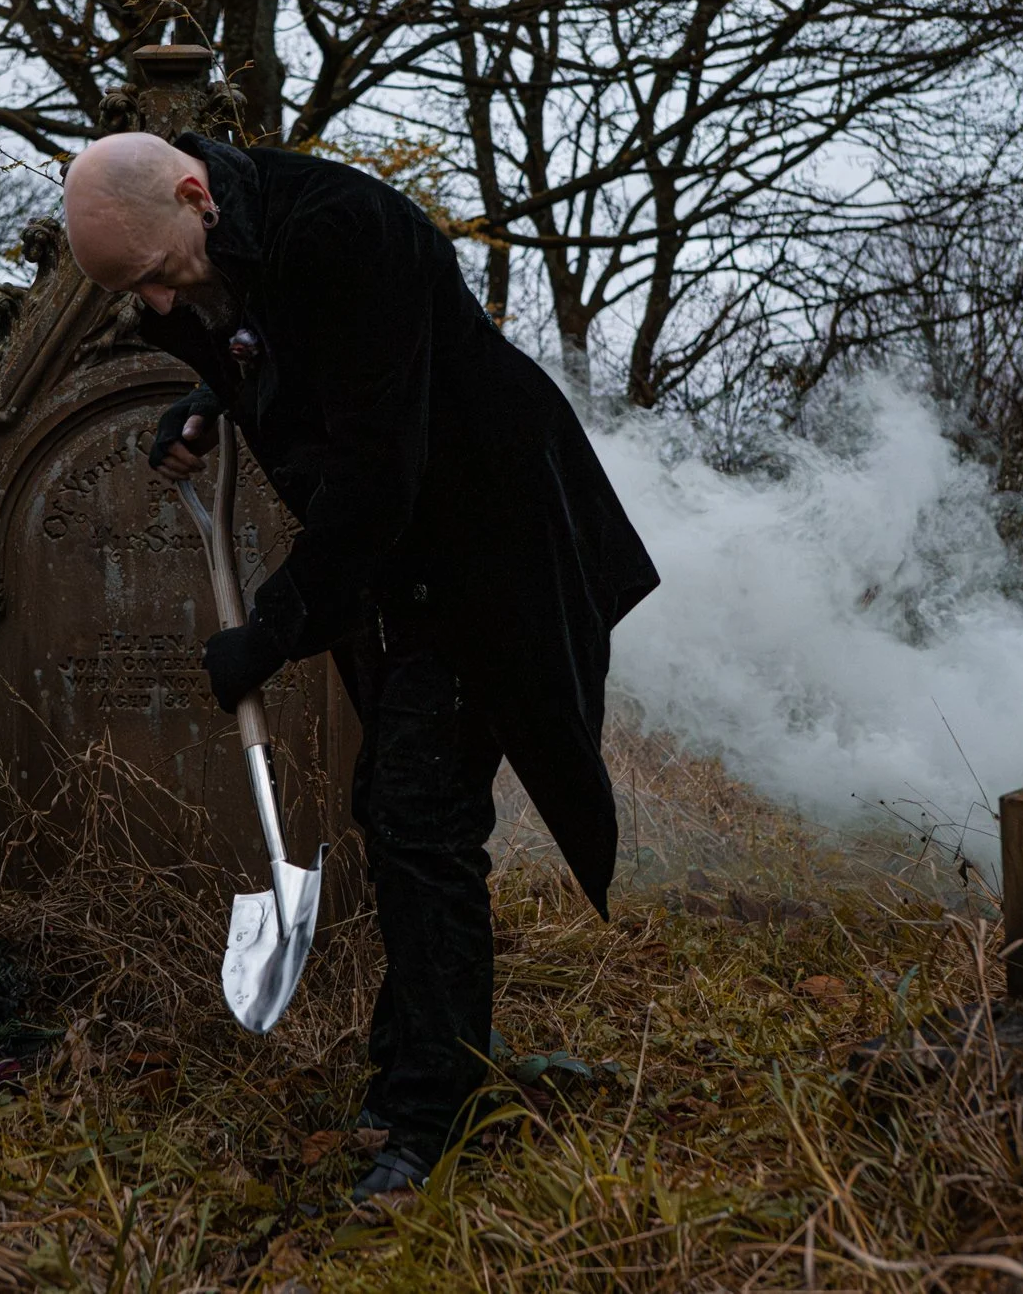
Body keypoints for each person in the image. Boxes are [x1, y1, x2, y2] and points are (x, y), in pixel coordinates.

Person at [63, 129, 658, 1200]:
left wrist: (275, 627)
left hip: (487, 548)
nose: (155, 305)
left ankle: (437, 1114)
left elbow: (377, 472)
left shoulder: (340, 232)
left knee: (421, 816)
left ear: (194, 195)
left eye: (153, 276)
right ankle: (410, 1071)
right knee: (394, 802)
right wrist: (206, 396)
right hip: (399, 566)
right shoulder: (215, 245)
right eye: (132, 292)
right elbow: (270, 352)